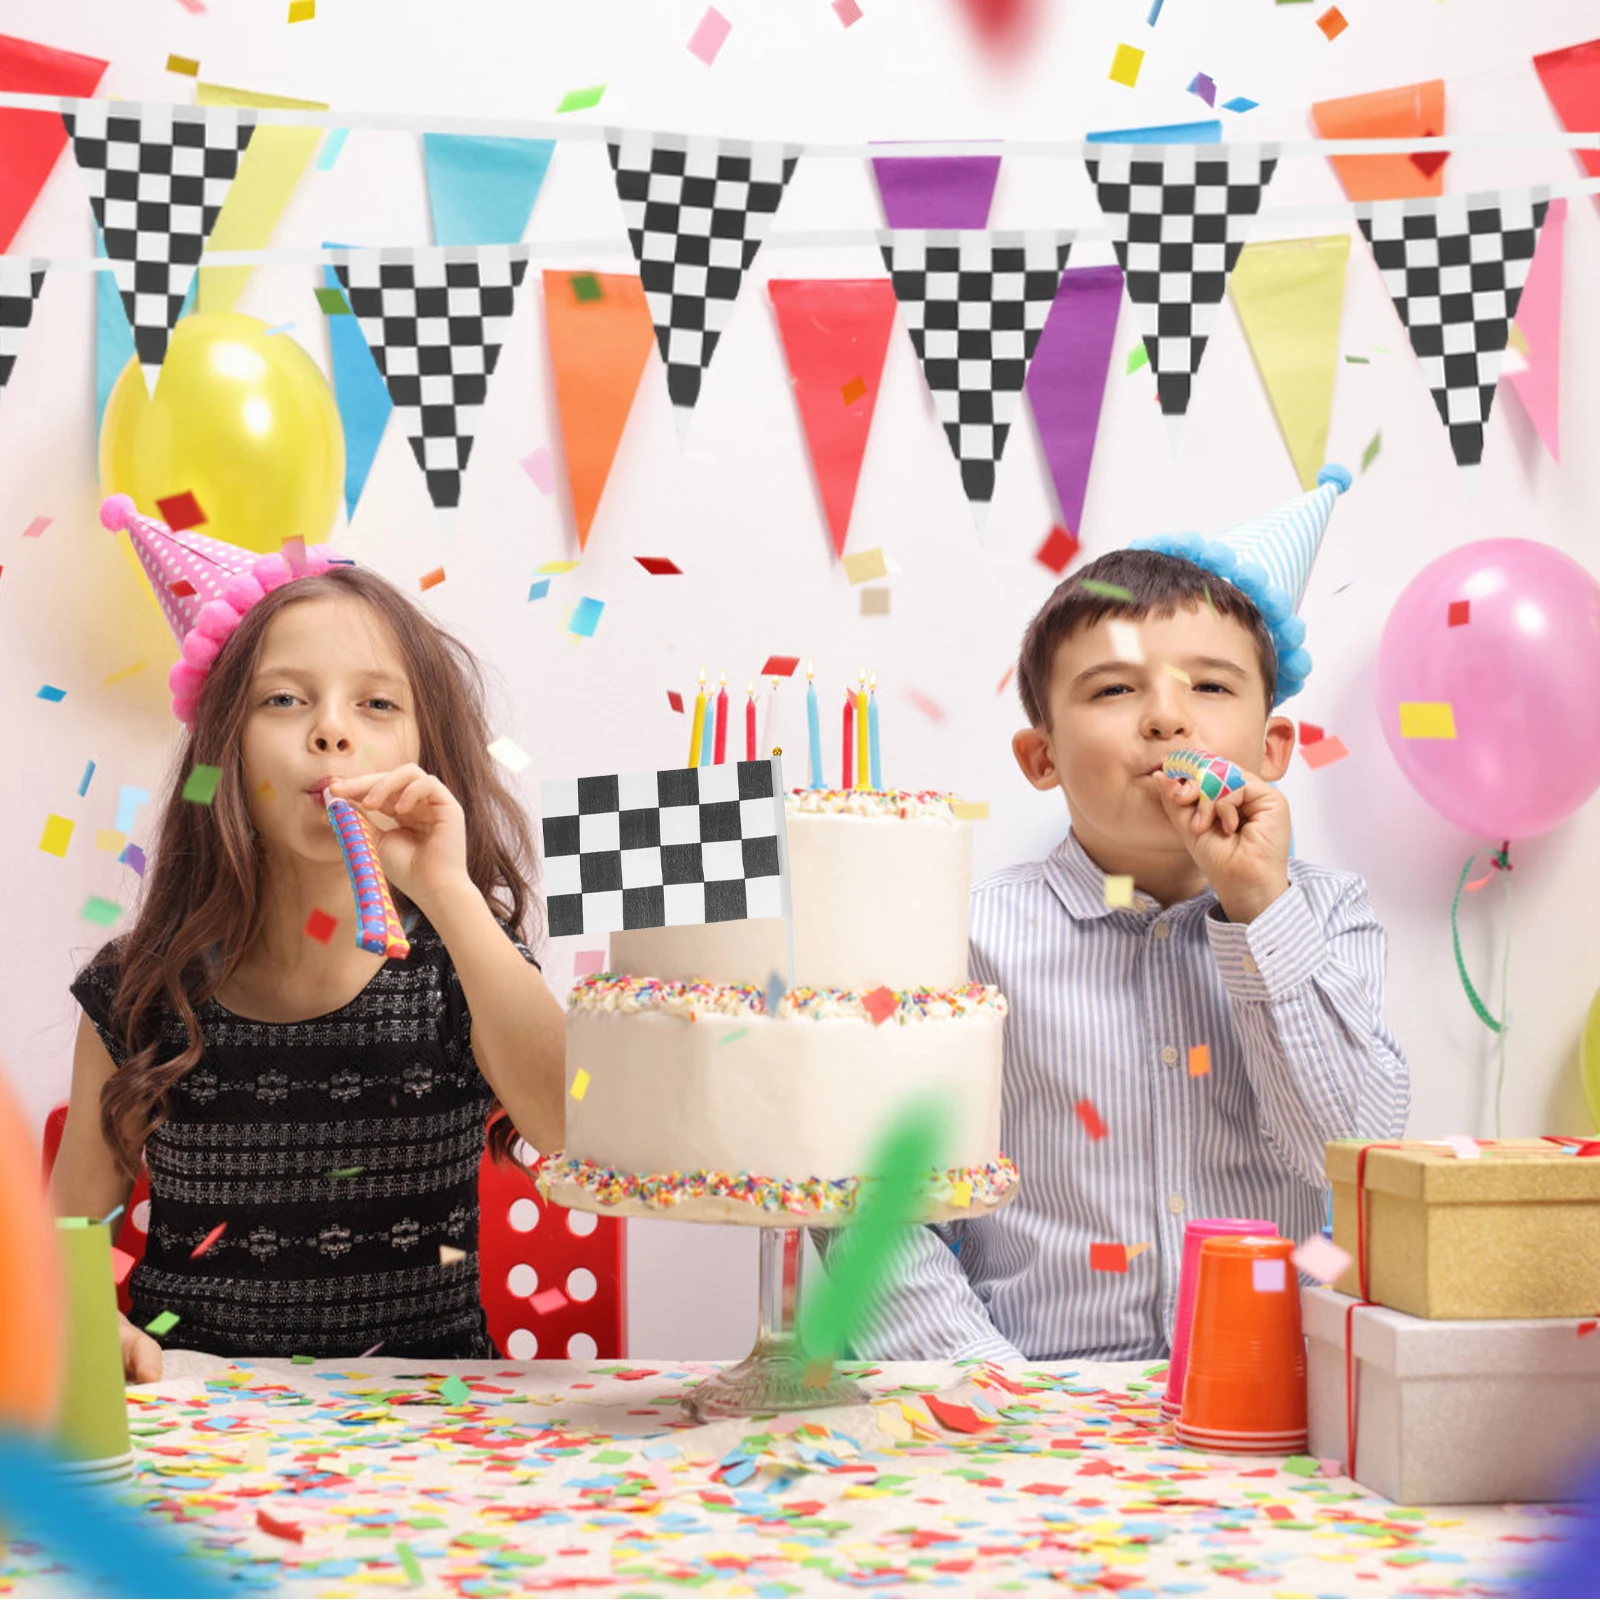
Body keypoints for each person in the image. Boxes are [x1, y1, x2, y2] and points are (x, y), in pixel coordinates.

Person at [849, 467, 1409, 1361]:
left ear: (1273, 750)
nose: (1166, 719)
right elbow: (868, 1205)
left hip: (1283, 1403)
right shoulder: (962, 942)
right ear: (1042, 757)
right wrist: (992, 1390)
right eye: (1114, 690)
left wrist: (1260, 906)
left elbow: (1354, 1156)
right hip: (1028, 1408)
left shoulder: (1327, 915)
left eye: (1211, 688)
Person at [51, 500, 565, 1380]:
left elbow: (567, 1118)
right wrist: (92, 1328)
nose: (330, 729)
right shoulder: (139, 989)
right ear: (228, 749)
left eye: (375, 703)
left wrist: (449, 891)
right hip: (198, 1425)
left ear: (423, 745)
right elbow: (66, 1238)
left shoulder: (456, 965)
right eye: (284, 700)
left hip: (434, 1437)